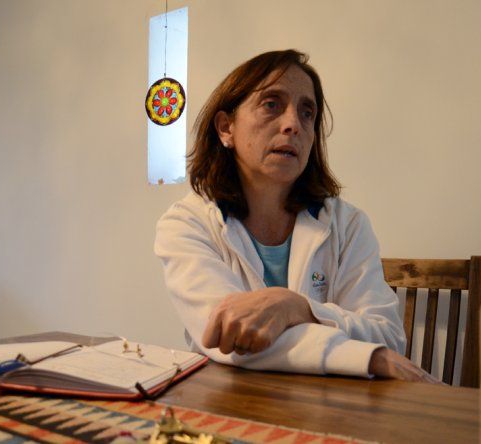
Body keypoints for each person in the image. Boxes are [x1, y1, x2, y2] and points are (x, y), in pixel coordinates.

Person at [155, 49, 439, 383]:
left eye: (307, 113)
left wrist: (296, 307)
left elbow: (387, 335)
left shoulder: (348, 225)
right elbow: (228, 337)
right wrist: (366, 357)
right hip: (229, 401)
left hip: (331, 405)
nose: (293, 124)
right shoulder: (186, 224)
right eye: (271, 104)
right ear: (226, 128)